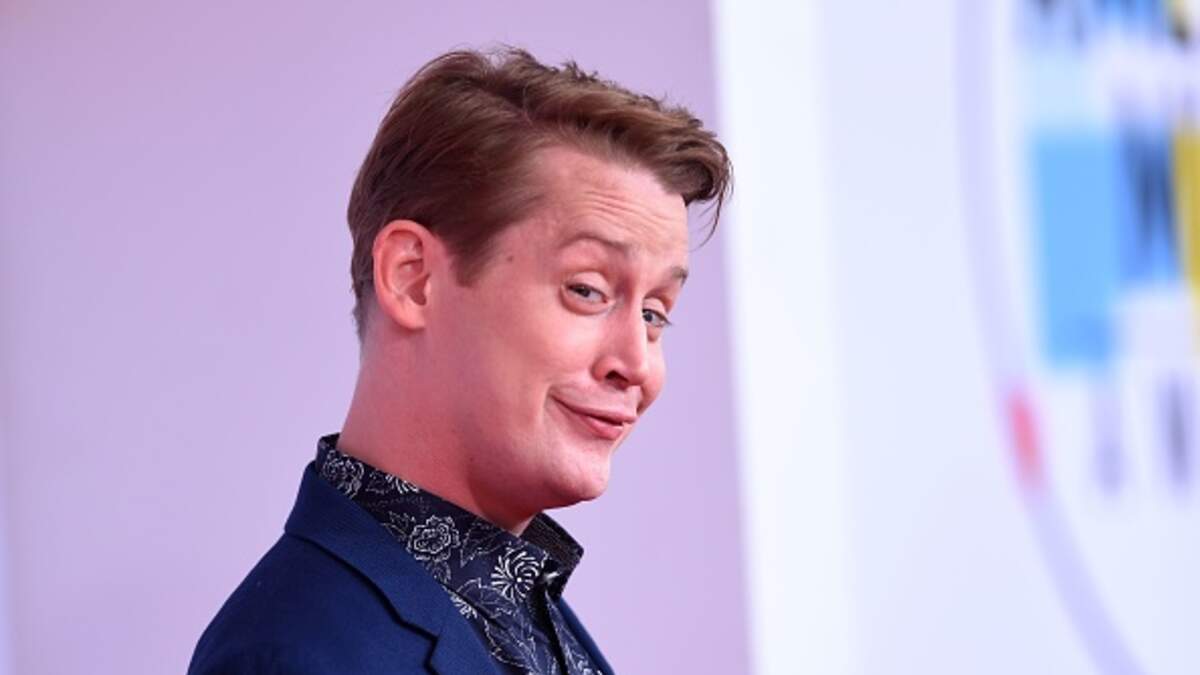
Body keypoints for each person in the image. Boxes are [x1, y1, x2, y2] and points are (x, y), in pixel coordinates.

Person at [188, 46, 731, 675]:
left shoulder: (522, 611)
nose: (638, 365)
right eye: (587, 290)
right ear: (413, 278)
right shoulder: (294, 656)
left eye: (655, 313)